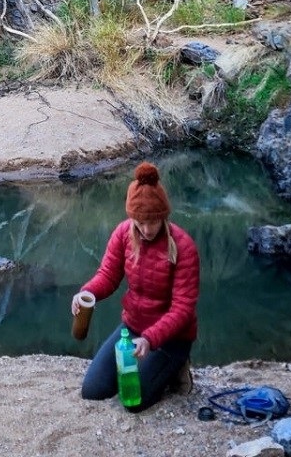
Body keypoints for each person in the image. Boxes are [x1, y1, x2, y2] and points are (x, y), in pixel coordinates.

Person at [73, 161, 200, 412]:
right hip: (131, 329)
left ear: (163, 215)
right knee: (93, 391)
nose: (146, 229)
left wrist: (151, 339)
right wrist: (87, 292)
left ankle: (176, 366)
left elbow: (183, 308)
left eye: (152, 222)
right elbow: (108, 275)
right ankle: (155, 368)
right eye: (140, 222)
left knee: (133, 401)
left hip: (171, 338)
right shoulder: (123, 234)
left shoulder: (183, 246)